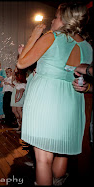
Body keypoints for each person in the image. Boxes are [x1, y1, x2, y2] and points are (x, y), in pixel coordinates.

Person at [17, 3, 93, 185]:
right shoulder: (88, 47)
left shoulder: (51, 37)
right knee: (62, 151)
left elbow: (21, 63)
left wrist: (34, 36)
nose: (52, 20)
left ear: (65, 20)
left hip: (47, 99)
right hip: (71, 100)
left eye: (57, 17)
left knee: (43, 159)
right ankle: (58, 181)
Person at [10, 66, 26, 133]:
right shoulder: (16, 77)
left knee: (19, 110)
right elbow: (12, 82)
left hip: (19, 94)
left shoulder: (22, 77)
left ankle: (23, 127)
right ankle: (19, 125)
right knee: (14, 110)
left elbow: (22, 88)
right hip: (14, 93)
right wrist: (13, 74)